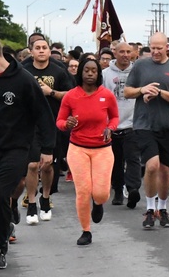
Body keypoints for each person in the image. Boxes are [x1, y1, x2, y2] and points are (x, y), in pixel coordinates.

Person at [0, 35, 56, 270]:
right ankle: (5, 222)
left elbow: (43, 115)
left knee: (0, 195)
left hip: (16, 149)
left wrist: (47, 149)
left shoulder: (24, 80)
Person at [125, 33, 169, 229]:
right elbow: (127, 91)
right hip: (145, 124)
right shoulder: (140, 66)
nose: (155, 51)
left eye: (159, 48)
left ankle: (162, 208)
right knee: (152, 166)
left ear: (167, 49)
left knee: (164, 170)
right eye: (152, 47)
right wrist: (142, 90)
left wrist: (160, 93)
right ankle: (150, 208)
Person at [55, 56, 119, 246]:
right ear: (80, 72)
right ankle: (86, 230)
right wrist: (67, 124)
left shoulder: (106, 95)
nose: (90, 73)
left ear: (99, 73)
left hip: (102, 149)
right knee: (83, 191)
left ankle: (98, 204)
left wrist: (111, 128)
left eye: (94, 70)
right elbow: (59, 122)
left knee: (101, 193)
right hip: (77, 149)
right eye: (86, 70)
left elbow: (115, 117)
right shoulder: (71, 96)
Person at [23, 38, 72, 223]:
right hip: (30, 125)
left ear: (49, 52)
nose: (41, 51)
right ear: (31, 51)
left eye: (44, 48)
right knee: (32, 165)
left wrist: (50, 92)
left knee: (48, 165)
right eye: (38, 48)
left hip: (53, 123)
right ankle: (32, 203)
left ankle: (45, 197)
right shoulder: (24, 71)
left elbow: (70, 95)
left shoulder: (59, 72)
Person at [103, 41, 143, 207]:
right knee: (116, 161)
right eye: (122, 52)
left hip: (132, 123)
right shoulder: (105, 74)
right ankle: (118, 191)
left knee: (133, 158)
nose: (125, 55)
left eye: (128, 52)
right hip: (112, 125)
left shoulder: (138, 72)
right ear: (115, 53)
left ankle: (133, 189)